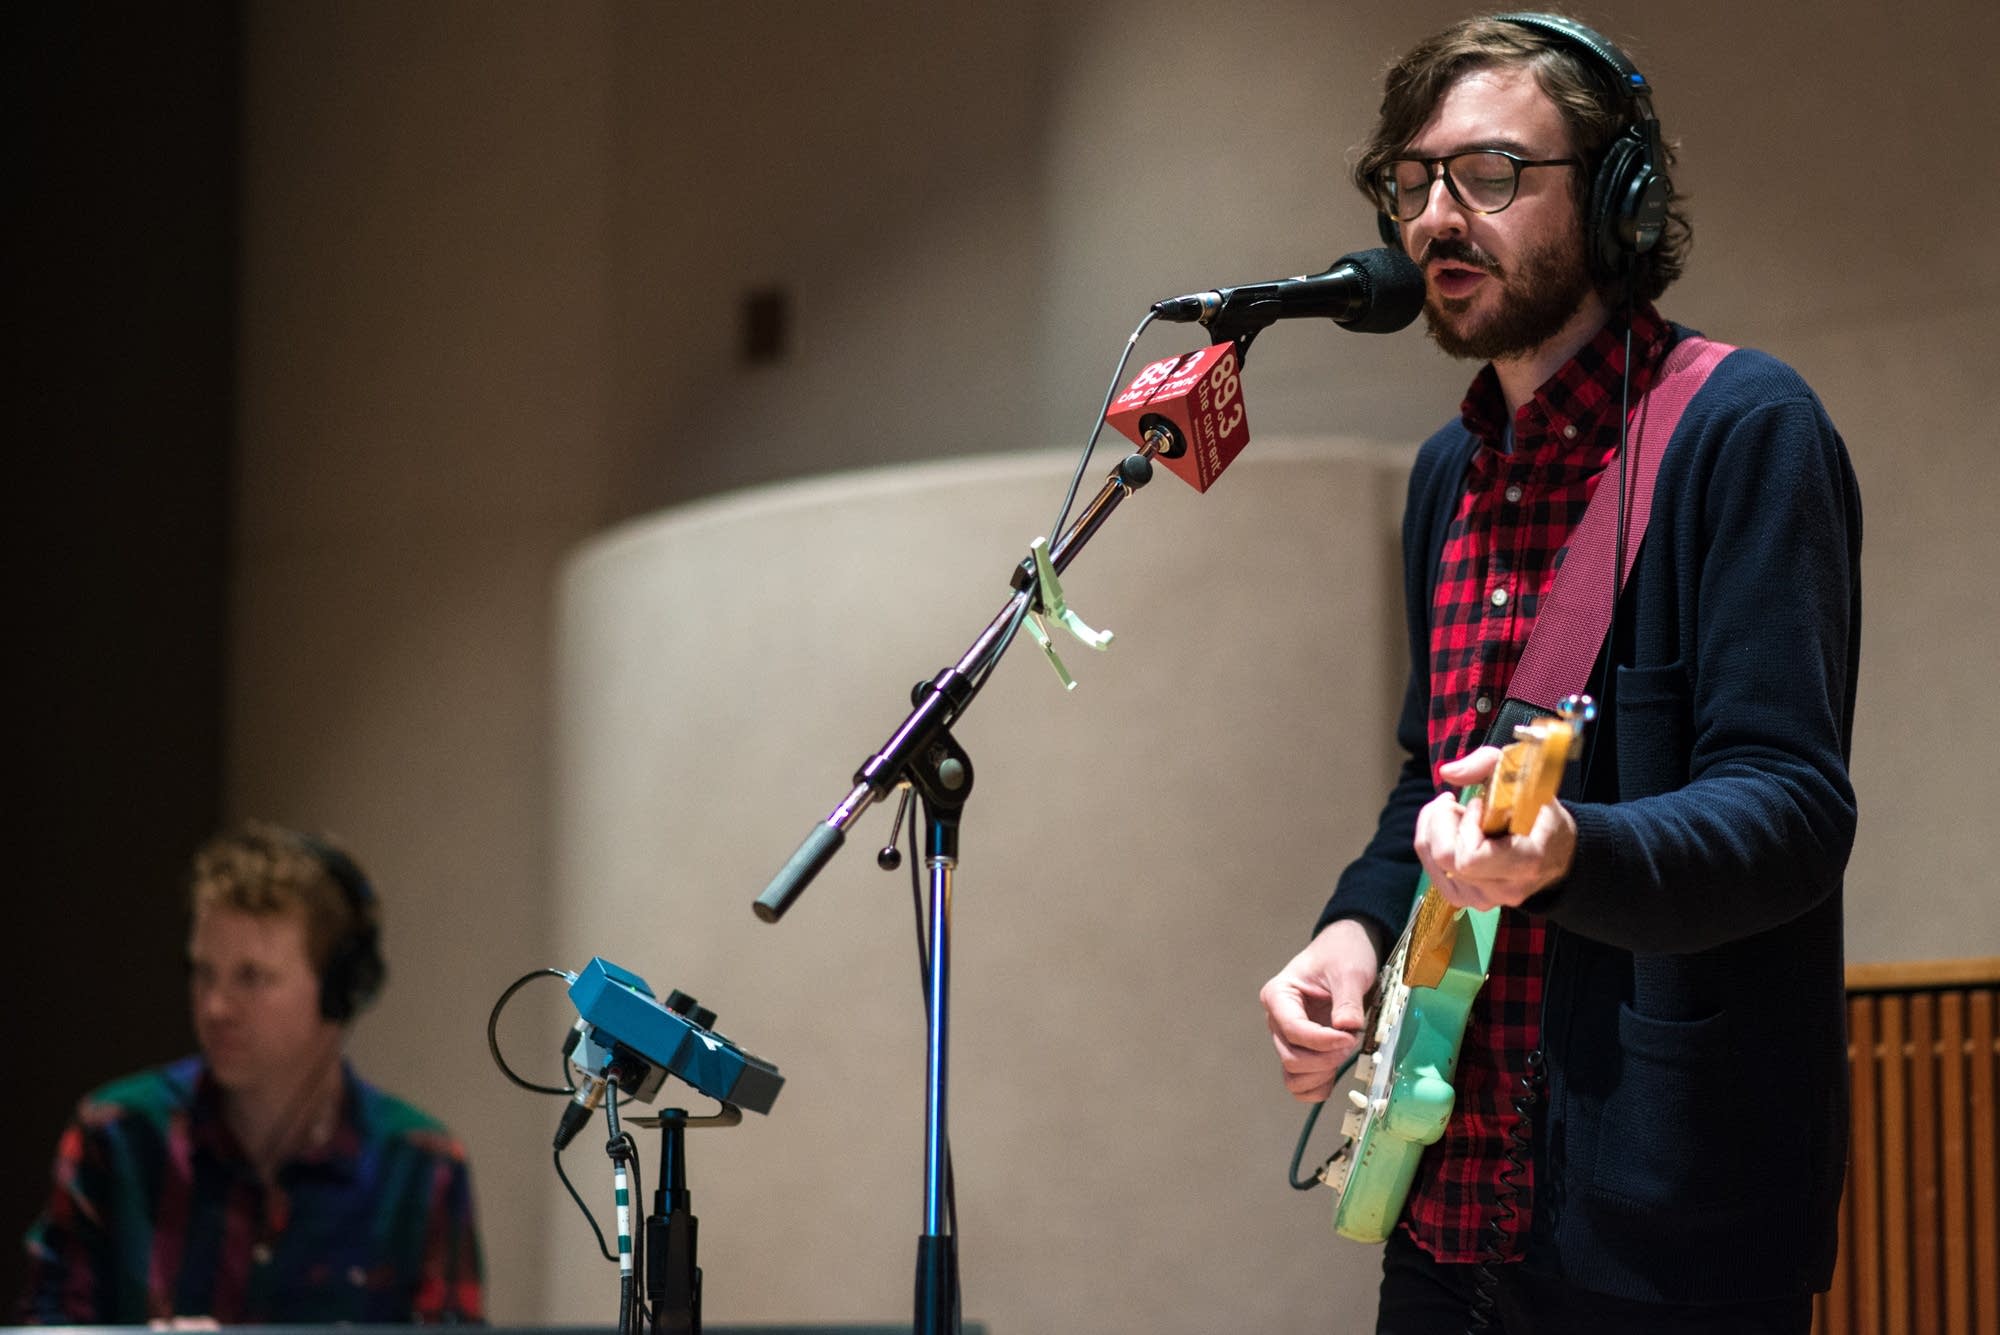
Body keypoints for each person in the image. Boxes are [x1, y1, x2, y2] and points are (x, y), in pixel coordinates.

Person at [1258, 13, 1860, 1334]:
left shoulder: (1744, 428)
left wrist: (1573, 849)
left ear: (1618, 197)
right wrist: (1353, 931)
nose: (1432, 220)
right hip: (1441, 1194)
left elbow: (1794, 808)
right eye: (1411, 185)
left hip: (1661, 1221)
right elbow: (1433, 776)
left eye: (1486, 175)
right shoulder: (1446, 476)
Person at [19, 821, 485, 1324]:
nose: (216, 1007)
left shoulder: (419, 1166)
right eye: (203, 973)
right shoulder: (118, 1137)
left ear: (338, 991)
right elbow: (45, 1325)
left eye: (252, 978)